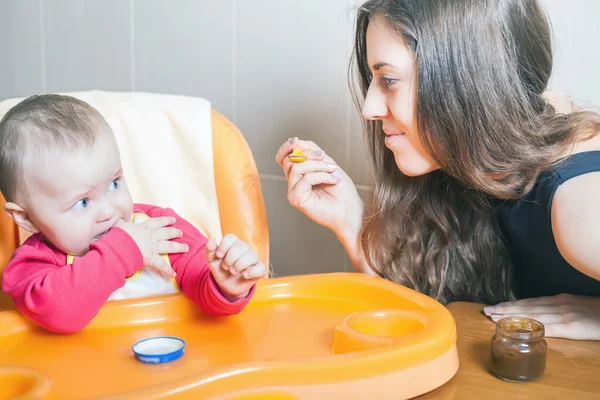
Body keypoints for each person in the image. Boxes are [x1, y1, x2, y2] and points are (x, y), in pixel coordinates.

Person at [276, 0, 600, 340]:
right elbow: (413, 321)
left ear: (469, 83)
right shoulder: (477, 152)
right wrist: (349, 221)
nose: (369, 108)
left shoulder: (579, 210)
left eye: (388, 79)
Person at [0, 94, 266, 334]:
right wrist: (124, 252)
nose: (108, 210)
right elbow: (57, 312)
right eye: (82, 202)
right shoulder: (33, 266)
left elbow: (203, 289)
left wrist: (224, 286)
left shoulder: (157, 228)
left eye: (114, 183)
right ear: (26, 218)